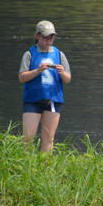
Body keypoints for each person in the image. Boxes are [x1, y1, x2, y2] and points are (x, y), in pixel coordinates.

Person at [19, 20, 71, 153]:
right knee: (27, 137)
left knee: (48, 138)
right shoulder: (29, 54)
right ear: (37, 36)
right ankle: (25, 166)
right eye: (45, 37)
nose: (49, 41)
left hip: (52, 100)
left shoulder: (59, 54)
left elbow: (67, 79)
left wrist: (62, 72)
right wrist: (38, 71)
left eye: (51, 37)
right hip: (32, 100)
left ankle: (45, 168)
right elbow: (22, 77)